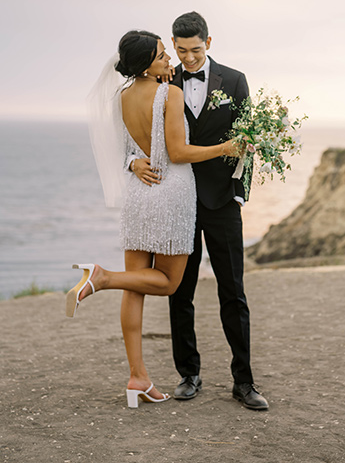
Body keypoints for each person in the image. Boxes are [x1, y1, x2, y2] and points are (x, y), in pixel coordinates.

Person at [66, 30, 239, 408]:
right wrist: (226, 147)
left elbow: (124, 148)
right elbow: (177, 152)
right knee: (167, 283)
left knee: (137, 288)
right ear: (145, 62)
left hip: (138, 195)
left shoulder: (122, 96)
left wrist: (132, 162)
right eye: (162, 55)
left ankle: (138, 377)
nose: (169, 61)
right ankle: (102, 276)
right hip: (171, 194)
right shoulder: (170, 93)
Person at [133, 12, 269, 410]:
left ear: (209, 43)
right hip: (177, 200)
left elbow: (250, 138)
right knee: (180, 291)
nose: (187, 59)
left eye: (195, 50)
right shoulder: (161, 80)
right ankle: (188, 374)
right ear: (172, 46)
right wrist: (131, 161)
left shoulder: (236, 80)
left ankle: (244, 382)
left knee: (234, 293)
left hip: (223, 202)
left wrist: (239, 194)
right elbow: (139, 130)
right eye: (180, 51)